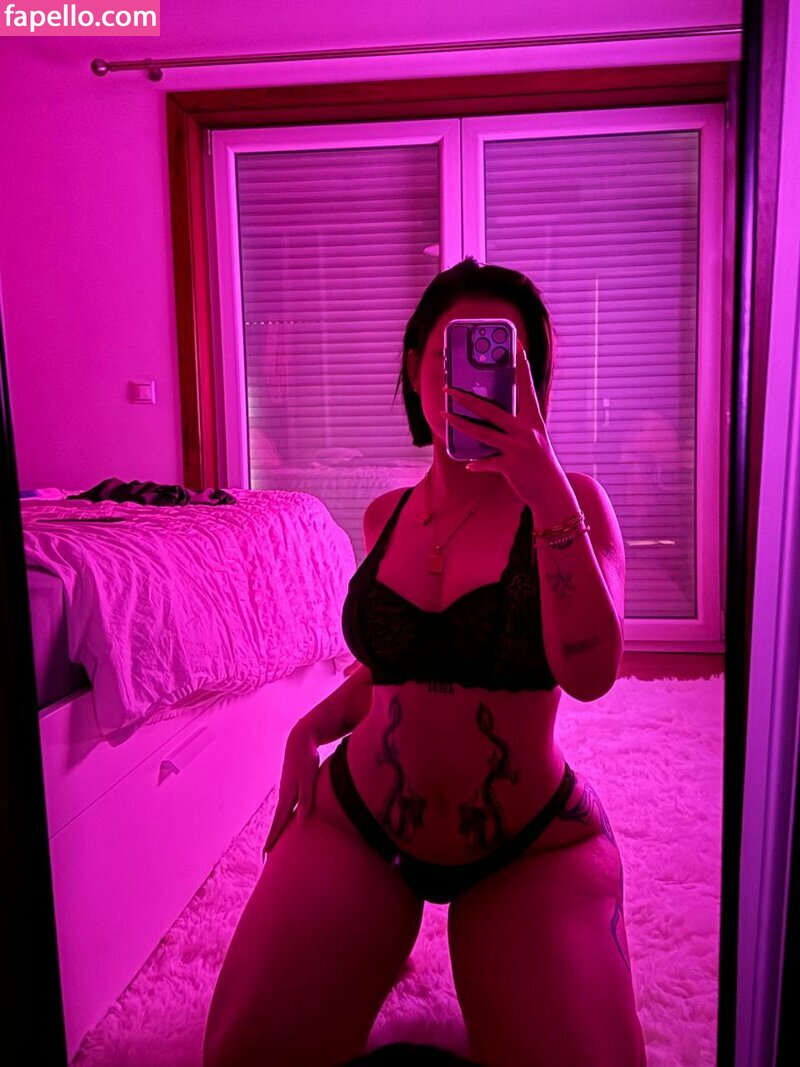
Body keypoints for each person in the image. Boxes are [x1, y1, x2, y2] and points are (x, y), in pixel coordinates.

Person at [202, 258, 647, 1067]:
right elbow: (398, 669)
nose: (467, 378)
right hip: (361, 823)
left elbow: (590, 672)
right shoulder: (386, 514)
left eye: (499, 358)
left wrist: (544, 487)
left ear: (531, 381)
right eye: (449, 355)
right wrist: (311, 726)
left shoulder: (573, 502)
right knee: (244, 1056)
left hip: (529, 844)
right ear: (414, 368)